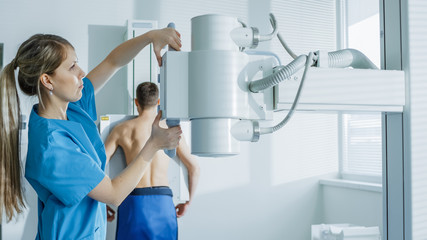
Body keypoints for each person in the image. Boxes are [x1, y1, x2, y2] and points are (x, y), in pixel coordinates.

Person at [0, 28, 182, 240]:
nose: (82, 72)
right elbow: (114, 194)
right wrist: (153, 145)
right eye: (72, 67)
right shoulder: (52, 145)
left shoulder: (73, 108)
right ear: (48, 81)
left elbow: (113, 61)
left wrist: (151, 37)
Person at [104, 82, 200, 240]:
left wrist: (104, 200)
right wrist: (188, 201)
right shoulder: (169, 130)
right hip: (163, 203)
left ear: (136, 102)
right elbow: (194, 168)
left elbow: (99, 164)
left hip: (132, 202)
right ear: (158, 102)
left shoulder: (122, 129)